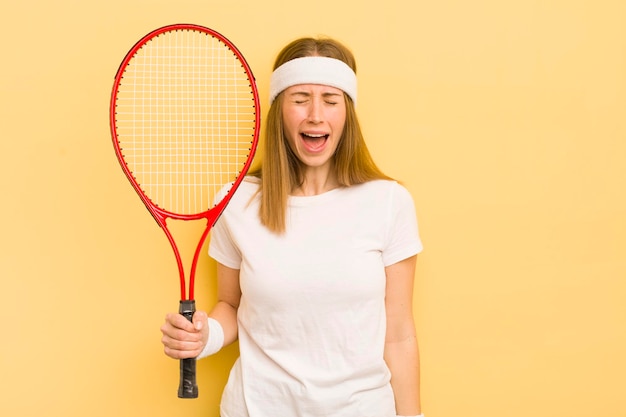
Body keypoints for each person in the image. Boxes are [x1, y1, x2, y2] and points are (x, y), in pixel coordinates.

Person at [160, 36, 424, 417]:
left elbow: (399, 336)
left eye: (330, 100)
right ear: (279, 110)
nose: (315, 114)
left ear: (347, 113)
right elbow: (231, 305)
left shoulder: (388, 201)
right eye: (300, 98)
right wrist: (205, 336)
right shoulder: (236, 202)